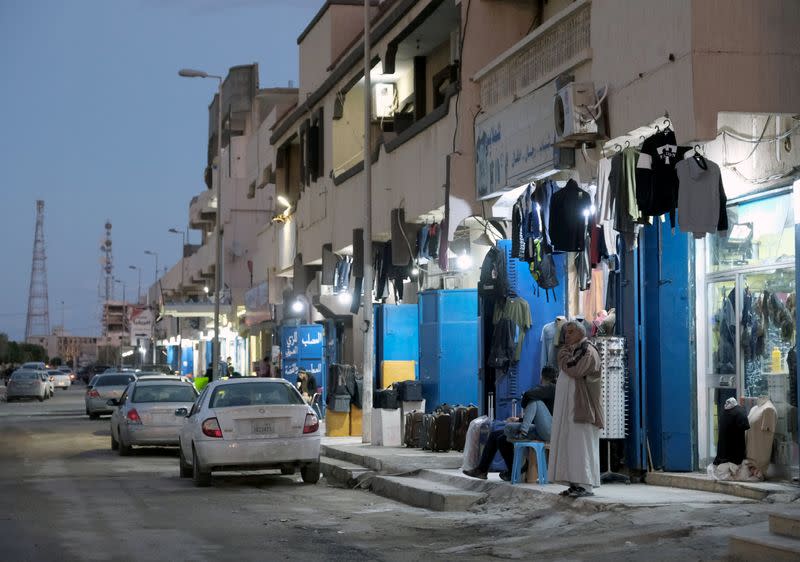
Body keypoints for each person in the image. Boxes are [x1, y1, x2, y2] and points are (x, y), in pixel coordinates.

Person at [463, 367, 557, 481]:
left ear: (542, 377)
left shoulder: (550, 388)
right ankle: (511, 470)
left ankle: (494, 470)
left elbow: (528, 395)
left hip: (542, 431)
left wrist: (520, 421)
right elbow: (536, 416)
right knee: (500, 437)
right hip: (537, 427)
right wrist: (519, 420)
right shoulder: (551, 392)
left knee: (501, 434)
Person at [548, 321, 604, 498]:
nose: (567, 335)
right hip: (569, 410)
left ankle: (585, 485)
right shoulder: (570, 350)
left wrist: (563, 356)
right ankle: (574, 483)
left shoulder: (588, 350)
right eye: (566, 332)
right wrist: (564, 355)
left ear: (581, 334)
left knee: (581, 446)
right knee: (569, 445)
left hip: (582, 409)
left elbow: (575, 369)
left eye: (571, 332)